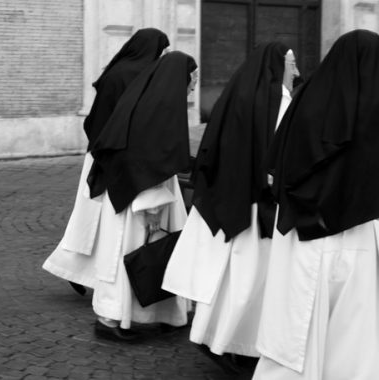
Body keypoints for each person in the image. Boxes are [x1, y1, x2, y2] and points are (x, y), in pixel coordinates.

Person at [161, 43, 299, 364]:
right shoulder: (280, 99)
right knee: (252, 280)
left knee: (228, 279)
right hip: (260, 203)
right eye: (291, 66)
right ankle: (232, 344)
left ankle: (212, 337)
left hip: (230, 198)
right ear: (278, 66)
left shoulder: (235, 94)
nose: (296, 73)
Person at [253, 29, 379, 379]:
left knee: (297, 325)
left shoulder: (305, 99)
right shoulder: (370, 108)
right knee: (349, 332)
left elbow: (276, 169)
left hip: (300, 229)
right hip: (352, 234)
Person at [43, 28, 169, 295]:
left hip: (104, 152)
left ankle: (75, 268)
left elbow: (94, 119)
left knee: (93, 218)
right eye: (161, 50)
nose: (163, 56)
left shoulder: (119, 72)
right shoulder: (136, 76)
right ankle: (75, 268)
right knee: (96, 216)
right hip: (112, 155)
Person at [83, 50, 198, 340]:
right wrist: (152, 207)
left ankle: (169, 315)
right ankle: (110, 320)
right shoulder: (159, 109)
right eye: (192, 78)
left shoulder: (150, 101)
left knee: (156, 252)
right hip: (142, 195)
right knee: (134, 253)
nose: (194, 85)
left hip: (143, 189)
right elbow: (147, 158)